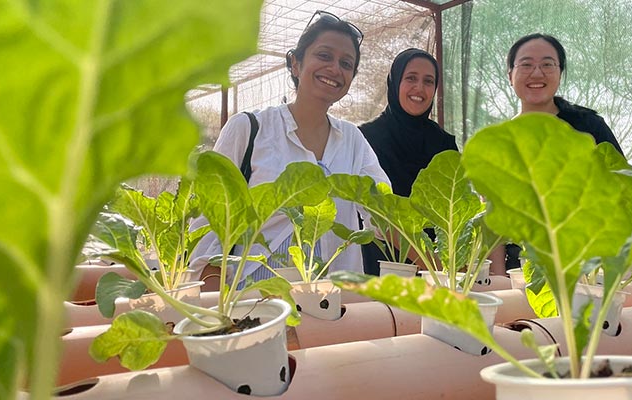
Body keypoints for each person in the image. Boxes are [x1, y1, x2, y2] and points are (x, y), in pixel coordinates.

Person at [189, 10, 390, 287]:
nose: (335, 68)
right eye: (324, 55)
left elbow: (384, 213)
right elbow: (208, 225)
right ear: (295, 64)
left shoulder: (353, 140)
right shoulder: (249, 129)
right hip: (253, 299)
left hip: (331, 305)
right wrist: (217, 311)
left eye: (346, 63)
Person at [499, 33, 625, 270]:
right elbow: (493, 217)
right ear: (510, 75)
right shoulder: (499, 140)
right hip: (520, 264)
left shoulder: (589, 126)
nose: (537, 73)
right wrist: (497, 276)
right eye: (526, 65)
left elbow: (623, 187)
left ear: (560, 73)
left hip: (587, 260)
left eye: (547, 64)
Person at [358, 48, 458, 276]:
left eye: (428, 81)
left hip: (438, 271)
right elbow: (376, 213)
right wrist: (430, 263)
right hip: (383, 264)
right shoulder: (366, 138)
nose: (419, 88)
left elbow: (450, 211)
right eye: (411, 78)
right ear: (395, 83)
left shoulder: (443, 144)